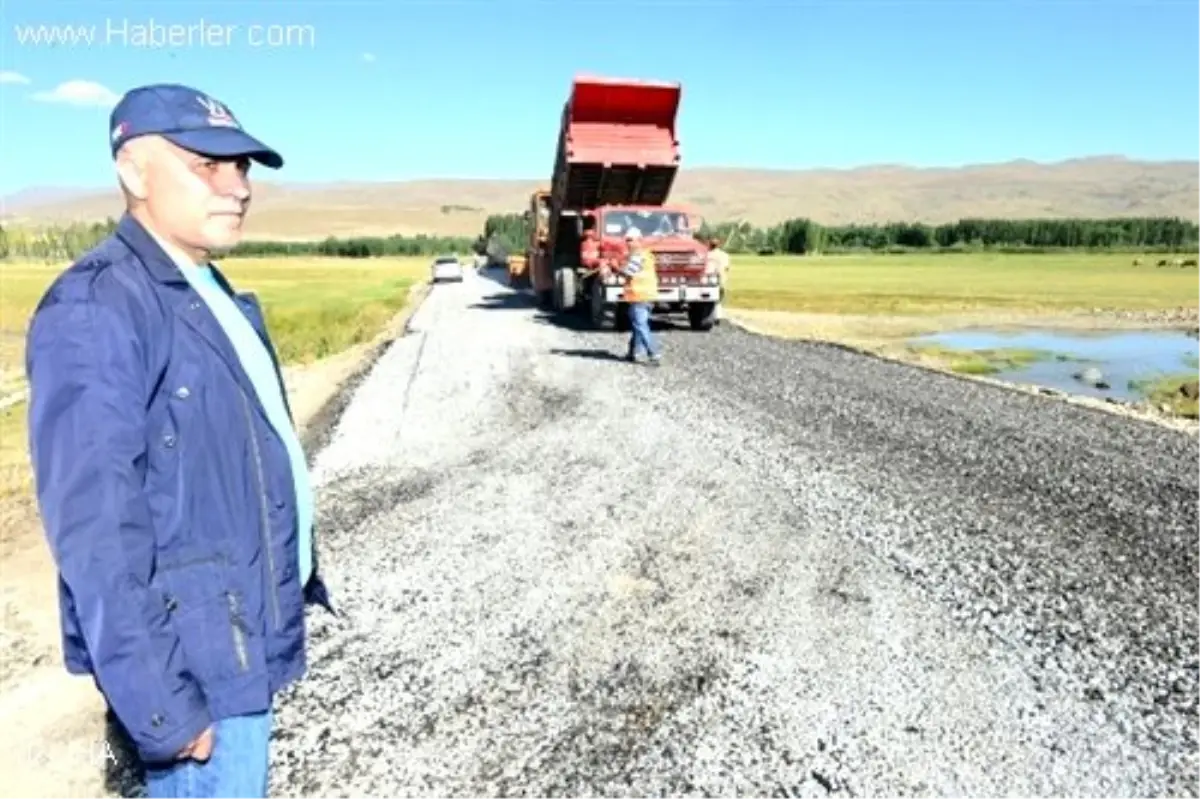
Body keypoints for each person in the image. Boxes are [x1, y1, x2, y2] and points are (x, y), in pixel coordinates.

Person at [24, 82, 334, 797]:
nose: (239, 187)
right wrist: (160, 703)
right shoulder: (97, 307)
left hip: (234, 646)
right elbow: (96, 528)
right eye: (207, 164)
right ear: (133, 170)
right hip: (194, 678)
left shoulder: (206, 288)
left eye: (244, 167)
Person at [618, 228, 662, 365]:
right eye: (627, 240)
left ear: (639, 240)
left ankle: (653, 353)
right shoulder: (646, 255)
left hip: (639, 295)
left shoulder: (637, 256)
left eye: (630, 240)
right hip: (648, 295)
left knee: (640, 325)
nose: (628, 243)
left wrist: (616, 268)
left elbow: (628, 273)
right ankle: (634, 352)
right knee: (638, 325)